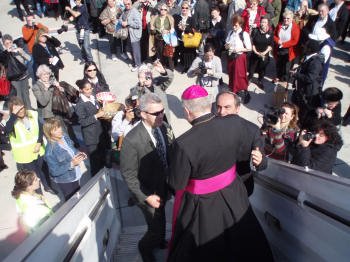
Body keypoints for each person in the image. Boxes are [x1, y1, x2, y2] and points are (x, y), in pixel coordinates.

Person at [168, 85, 273, 261]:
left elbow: (176, 184)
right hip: (234, 193)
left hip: (204, 206)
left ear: (186, 110)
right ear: (210, 105)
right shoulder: (235, 123)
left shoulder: (182, 144)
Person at [120, 93, 174, 262]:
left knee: (161, 220)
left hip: (163, 188)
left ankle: (158, 241)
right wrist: (146, 197)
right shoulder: (132, 139)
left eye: (162, 111)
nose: (161, 116)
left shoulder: (163, 126)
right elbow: (128, 175)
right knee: (155, 228)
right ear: (143, 114)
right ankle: (145, 248)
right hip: (148, 192)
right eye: (156, 113)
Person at [215, 89, 268, 196]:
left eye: (227, 107)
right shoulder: (210, 126)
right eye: (219, 107)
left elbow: (263, 164)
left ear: (237, 108)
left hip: (241, 186)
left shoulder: (252, 130)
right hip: (216, 188)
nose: (221, 112)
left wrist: (260, 161)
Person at [5, 96, 55, 194]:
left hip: (39, 150)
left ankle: (47, 186)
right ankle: (39, 193)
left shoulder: (33, 114)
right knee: (33, 176)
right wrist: (14, 115)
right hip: (26, 156)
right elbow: (7, 130)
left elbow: (40, 129)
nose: (21, 111)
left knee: (44, 170)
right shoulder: (12, 122)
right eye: (17, 110)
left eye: (21, 108)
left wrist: (39, 142)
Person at [44, 118, 87, 201]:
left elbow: (72, 149)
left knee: (78, 195)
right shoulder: (50, 151)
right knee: (71, 201)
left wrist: (79, 153)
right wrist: (71, 164)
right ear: (50, 133)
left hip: (75, 174)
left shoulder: (64, 137)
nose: (59, 130)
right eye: (55, 130)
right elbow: (54, 171)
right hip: (65, 180)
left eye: (59, 127)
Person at [75, 79, 111, 176]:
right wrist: (97, 116)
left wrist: (102, 105)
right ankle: (95, 181)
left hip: (99, 133)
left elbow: (97, 109)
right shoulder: (80, 105)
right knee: (95, 162)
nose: (90, 90)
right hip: (91, 137)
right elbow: (82, 122)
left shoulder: (93, 97)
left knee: (102, 157)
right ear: (81, 90)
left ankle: (105, 175)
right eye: (87, 89)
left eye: (91, 88)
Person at [291, 39, 323, 127]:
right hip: (302, 90)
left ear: (310, 49)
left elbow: (310, 78)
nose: (303, 47)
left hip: (308, 94)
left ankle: (300, 125)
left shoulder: (315, 62)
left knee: (304, 112)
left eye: (305, 46)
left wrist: (296, 74)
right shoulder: (309, 57)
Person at [0, 34, 31, 109]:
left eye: (10, 42)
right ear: (4, 45)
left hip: (24, 76)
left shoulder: (18, 50)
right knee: (18, 97)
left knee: (26, 95)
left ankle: (29, 111)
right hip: (14, 79)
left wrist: (21, 52)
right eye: (7, 43)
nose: (9, 45)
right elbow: (2, 60)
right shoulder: (4, 54)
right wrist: (8, 52)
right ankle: (22, 112)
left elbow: (29, 58)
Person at [225, 14, 252, 94]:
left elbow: (249, 48)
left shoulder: (244, 34)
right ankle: (234, 90)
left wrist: (240, 49)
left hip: (240, 57)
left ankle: (245, 91)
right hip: (231, 56)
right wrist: (227, 46)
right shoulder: (230, 33)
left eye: (236, 25)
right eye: (233, 25)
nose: (234, 27)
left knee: (240, 75)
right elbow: (226, 44)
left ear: (240, 24)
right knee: (231, 73)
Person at [273, 9, 300, 83]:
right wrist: (277, 40)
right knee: (278, 64)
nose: (286, 20)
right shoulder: (279, 25)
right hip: (279, 48)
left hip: (289, 50)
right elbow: (274, 35)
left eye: (288, 18)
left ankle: (284, 81)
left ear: (292, 19)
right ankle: (278, 77)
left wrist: (283, 44)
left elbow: (295, 41)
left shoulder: (295, 27)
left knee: (286, 67)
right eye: (284, 18)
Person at [248, 16, 273, 89]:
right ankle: (250, 78)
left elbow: (271, 45)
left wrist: (264, 52)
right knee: (252, 67)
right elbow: (252, 43)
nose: (263, 24)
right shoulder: (255, 31)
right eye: (262, 22)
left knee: (262, 68)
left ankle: (260, 80)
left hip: (264, 54)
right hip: (255, 52)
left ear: (268, 23)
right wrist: (256, 52)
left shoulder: (270, 32)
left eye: (265, 22)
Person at [150, 3, 175, 70]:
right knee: (160, 53)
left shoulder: (170, 18)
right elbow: (152, 30)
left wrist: (167, 31)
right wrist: (155, 30)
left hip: (168, 38)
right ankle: (163, 65)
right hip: (159, 38)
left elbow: (172, 29)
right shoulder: (155, 17)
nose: (163, 11)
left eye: (165, 9)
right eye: (161, 9)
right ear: (159, 10)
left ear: (167, 10)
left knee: (169, 54)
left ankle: (170, 68)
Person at [173, 1, 196, 73]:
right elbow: (173, 27)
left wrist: (184, 29)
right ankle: (177, 63)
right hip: (179, 38)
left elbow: (193, 30)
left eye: (186, 8)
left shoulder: (191, 18)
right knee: (178, 52)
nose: (184, 9)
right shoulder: (177, 17)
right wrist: (178, 28)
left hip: (188, 39)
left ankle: (186, 67)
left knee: (186, 53)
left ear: (189, 9)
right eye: (183, 7)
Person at [123, 0, 143, 71]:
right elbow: (121, 19)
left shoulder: (135, 11)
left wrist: (128, 23)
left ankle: (138, 65)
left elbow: (138, 25)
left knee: (136, 51)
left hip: (134, 34)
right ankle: (134, 63)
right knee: (131, 50)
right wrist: (121, 22)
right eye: (125, 4)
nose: (127, 5)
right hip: (128, 34)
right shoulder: (125, 10)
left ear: (131, 3)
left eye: (128, 4)